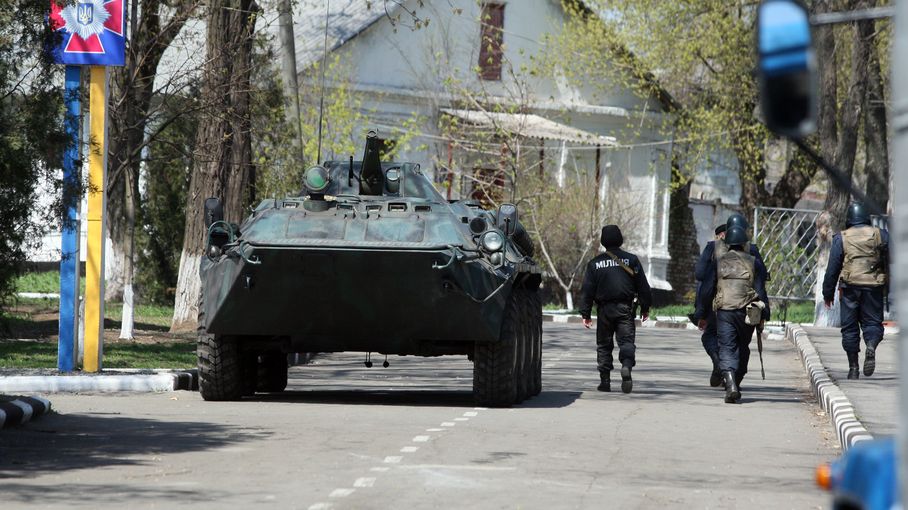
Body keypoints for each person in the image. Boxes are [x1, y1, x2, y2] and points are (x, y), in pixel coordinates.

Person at [698, 219, 770, 404]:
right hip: (748, 313)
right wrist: (765, 314)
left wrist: (701, 311)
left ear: (728, 242)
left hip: (725, 311)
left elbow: (706, 289)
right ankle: (735, 381)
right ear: (745, 242)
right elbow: (761, 290)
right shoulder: (754, 261)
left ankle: (730, 383)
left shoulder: (719, 261)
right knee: (743, 347)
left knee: (727, 347)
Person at [578, 225, 652, 394]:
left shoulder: (594, 264)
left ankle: (605, 381)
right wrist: (645, 307)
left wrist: (585, 313)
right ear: (620, 239)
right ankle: (626, 366)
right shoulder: (631, 260)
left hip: (604, 310)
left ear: (603, 241)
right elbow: (643, 287)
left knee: (604, 345)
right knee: (626, 341)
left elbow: (587, 290)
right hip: (625, 309)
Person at [822, 202, 889, 379]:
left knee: (850, 328)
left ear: (849, 219)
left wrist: (827, 293)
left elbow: (832, 269)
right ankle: (871, 346)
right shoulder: (880, 234)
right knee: (873, 323)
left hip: (849, 288)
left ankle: (853, 368)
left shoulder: (841, 238)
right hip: (873, 287)